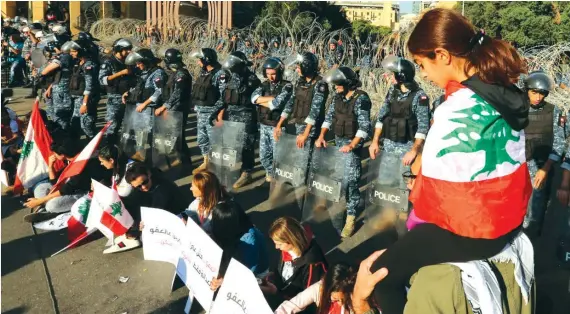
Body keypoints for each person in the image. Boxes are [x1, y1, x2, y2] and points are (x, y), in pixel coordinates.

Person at [367, 9, 531, 314]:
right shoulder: (502, 91)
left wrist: (417, 167)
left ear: (441, 55)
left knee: (381, 276)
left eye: (423, 64)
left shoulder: (455, 108)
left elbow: (431, 195)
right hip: (509, 220)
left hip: (476, 233)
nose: (425, 74)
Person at [316, 67, 371, 238]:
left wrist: (352, 145)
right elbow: (328, 118)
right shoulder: (337, 97)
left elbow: (364, 126)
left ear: (348, 83)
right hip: (338, 143)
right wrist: (321, 136)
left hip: (351, 146)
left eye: (339, 84)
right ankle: (338, 207)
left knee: (352, 182)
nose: (336, 87)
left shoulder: (361, 99)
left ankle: (351, 217)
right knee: (337, 178)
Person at [521, 71, 565, 238]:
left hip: (541, 166)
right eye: (534, 92)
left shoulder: (553, 111)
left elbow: (559, 143)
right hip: (519, 165)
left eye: (542, 93)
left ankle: (532, 242)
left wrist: (545, 168)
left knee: (536, 208)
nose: (538, 97)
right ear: (527, 91)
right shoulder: (518, 109)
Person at [23, 138, 109, 222]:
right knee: (40, 187)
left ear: (62, 155)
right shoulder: (70, 159)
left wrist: (40, 200)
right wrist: (50, 166)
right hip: (68, 187)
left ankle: (51, 210)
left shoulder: (81, 165)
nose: (53, 155)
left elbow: (66, 189)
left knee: (51, 205)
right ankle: (46, 205)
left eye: (55, 153)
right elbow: (55, 182)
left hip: (83, 191)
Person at [368, 55, 430, 167]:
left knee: (404, 183)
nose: (389, 77)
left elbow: (423, 127)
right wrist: (374, 142)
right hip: (388, 148)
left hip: (407, 152)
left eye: (393, 74)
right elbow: (381, 118)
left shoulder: (420, 97)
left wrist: (414, 151)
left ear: (401, 76)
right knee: (385, 182)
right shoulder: (392, 92)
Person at [211, 51, 261, 189]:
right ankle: (228, 172)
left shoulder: (251, 78)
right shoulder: (231, 78)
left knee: (246, 146)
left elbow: (250, 93)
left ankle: (247, 172)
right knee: (230, 145)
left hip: (246, 116)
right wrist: (214, 111)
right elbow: (224, 97)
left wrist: (243, 80)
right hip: (231, 115)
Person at [261, 216, 328, 307]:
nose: (276, 247)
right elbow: (280, 271)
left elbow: (308, 300)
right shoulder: (286, 250)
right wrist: (272, 276)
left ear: (291, 240)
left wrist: (275, 292)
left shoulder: (312, 264)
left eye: (279, 244)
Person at [274, 52, 328, 152]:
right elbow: (291, 102)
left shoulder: (320, 83)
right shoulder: (300, 81)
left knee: (307, 158)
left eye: (299, 67)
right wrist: (279, 124)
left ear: (306, 67)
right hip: (299, 124)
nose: (297, 69)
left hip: (312, 128)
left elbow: (315, 110)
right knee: (300, 156)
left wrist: (305, 134)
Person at [209, 200, 269, 291]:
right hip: (235, 256)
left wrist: (225, 281)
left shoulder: (250, 240)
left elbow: (248, 273)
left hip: (257, 275)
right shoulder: (236, 224)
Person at [251, 57, 294, 182]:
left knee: (279, 157)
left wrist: (262, 100)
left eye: (273, 74)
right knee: (264, 156)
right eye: (268, 74)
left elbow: (276, 104)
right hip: (264, 125)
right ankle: (270, 176)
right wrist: (270, 99)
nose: (271, 77)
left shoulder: (287, 86)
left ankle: (278, 180)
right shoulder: (264, 85)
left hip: (277, 126)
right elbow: (253, 99)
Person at [122, 48, 167, 161]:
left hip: (149, 110)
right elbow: (140, 87)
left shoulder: (158, 73)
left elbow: (159, 91)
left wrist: (145, 104)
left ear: (146, 61)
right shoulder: (145, 73)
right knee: (140, 134)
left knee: (150, 136)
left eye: (139, 63)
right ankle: (140, 155)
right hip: (140, 109)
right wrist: (128, 93)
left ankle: (156, 160)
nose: (137, 66)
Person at [188, 48, 226, 174]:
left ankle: (216, 167)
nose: (198, 62)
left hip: (212, 113)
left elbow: (223, 96)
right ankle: (206, 162)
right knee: (202, 140)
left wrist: (218, 113)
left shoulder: (220, 74)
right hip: (201, 112)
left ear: (207, 60)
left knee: (214, 141)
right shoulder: (204, 72)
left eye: (200, 59)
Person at [154, 48, 192, 164]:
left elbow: (177, 93)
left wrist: (164, 106)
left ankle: (185, 162)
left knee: (178, 137)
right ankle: (181, 158)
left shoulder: (181, 74)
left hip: (179, 109)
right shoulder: (174, 73)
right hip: (174, 109)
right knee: (175, 136)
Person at [275, 263, 357, 314]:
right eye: (336, 299)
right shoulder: (318, 288)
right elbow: (290, 306)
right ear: (326, 287)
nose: (340, 303)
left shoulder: (358, 298)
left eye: (344, 299)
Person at [98, 38, 134, 144]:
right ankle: (110, 147)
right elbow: (102, 80)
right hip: (114, 98)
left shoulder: (129, 61)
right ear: (119, 49)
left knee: (129, 126)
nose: (129, 52)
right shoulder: (109, 62)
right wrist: (120, 73)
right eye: (126, 49)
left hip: (129, 97)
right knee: (112, 126)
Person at [124, 162, 188, 214]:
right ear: (132, 185)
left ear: (149, 174)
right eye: (138, 186)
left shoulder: (165, 187)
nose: (143, 187)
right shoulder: (136, 194)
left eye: (145, 182)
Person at [40, 40, 75, 132]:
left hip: (62, 91)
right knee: (57, 114)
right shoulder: (70, 58)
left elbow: (44, 71)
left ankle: (63, 135)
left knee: (61, 115)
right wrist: (50, 88)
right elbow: (59, 77)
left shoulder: (65, 57)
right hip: (59, 88)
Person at [68, 40, 99, 139]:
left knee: (86, 125)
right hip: (78, 99)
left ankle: (95, 148)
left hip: (85, 99)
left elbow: (89, 85)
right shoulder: (79, 63)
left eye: (74, 51)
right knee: (76, 123)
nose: (71, 53)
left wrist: (84, 104)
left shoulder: (89, 65)